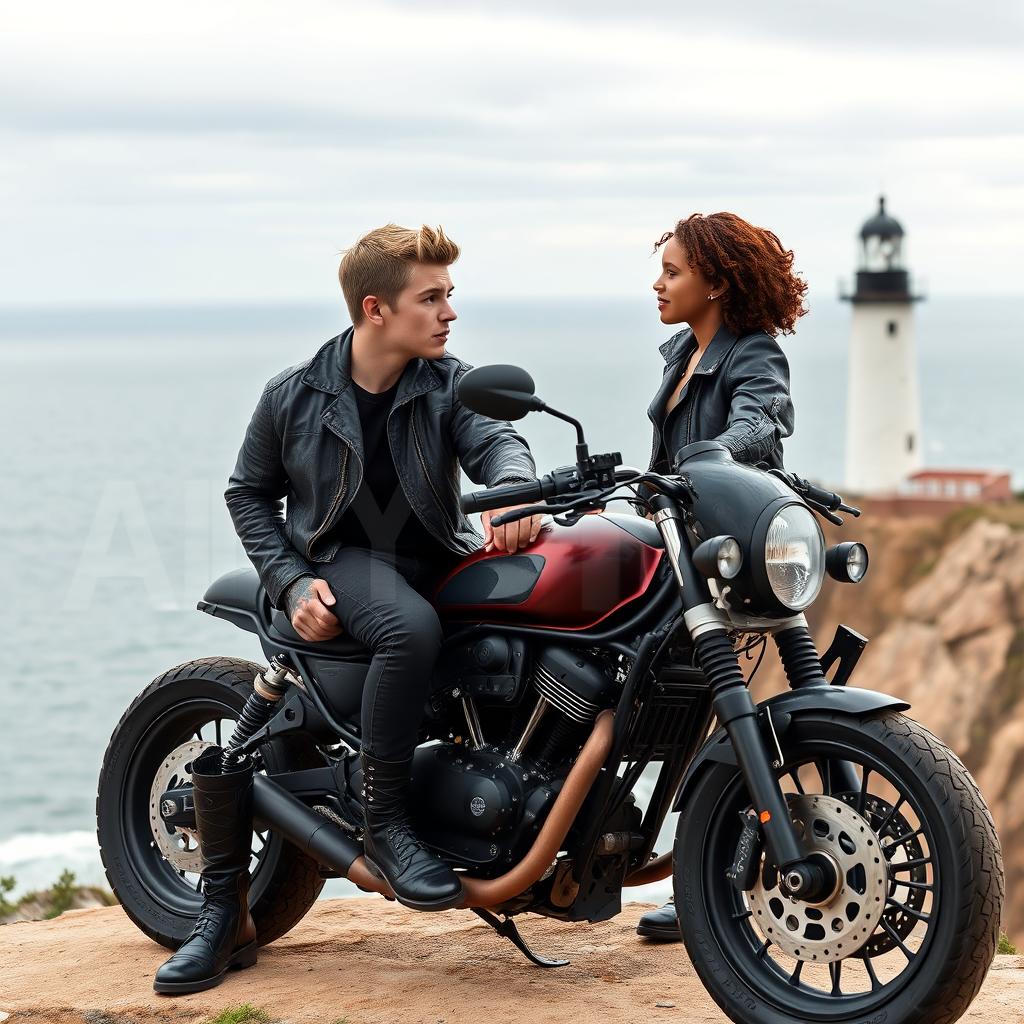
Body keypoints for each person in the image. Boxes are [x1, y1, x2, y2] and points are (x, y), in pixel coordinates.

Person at [154, 224, 544, 994]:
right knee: (410, 628)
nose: (448, 314)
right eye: (430, 298)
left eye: (449, 296)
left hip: (435, 556)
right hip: (343, 563)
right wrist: (293, 582)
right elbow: (248, 493)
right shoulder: (295, 394)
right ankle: (385, 821)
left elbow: (496, 441)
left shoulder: (447, 383)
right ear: (376, 309)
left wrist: (519, 485)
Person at [635, 211, 807, 942]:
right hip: (676, 546)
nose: (658, 282)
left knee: (708, 712)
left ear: (717, 280)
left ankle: (702, 879)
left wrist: (712, 457)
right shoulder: (684, 350)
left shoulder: (752, 353)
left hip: (718, 556)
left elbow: (761, 422)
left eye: (672, 271)